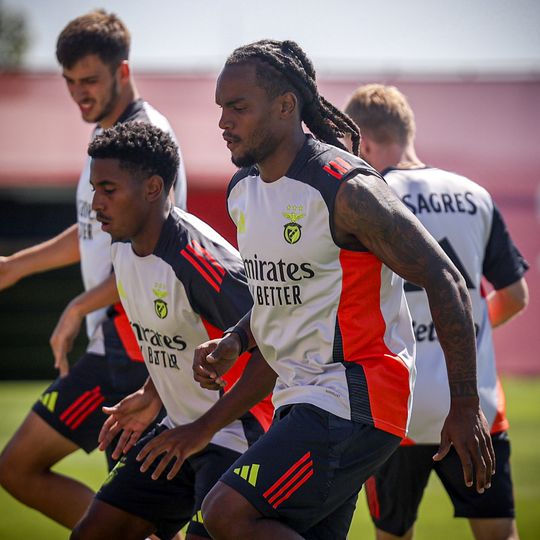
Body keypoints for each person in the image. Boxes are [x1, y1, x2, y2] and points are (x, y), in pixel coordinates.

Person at [192, 39, 495, 540]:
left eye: (238, 107)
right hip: (303, 398)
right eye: (221, 108)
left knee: (225, 514)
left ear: (286, 106)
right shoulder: (243, 190)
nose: (224, 121)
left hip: (357, 400)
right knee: (210, 533)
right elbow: (288, 292)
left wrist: (464, 406)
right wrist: (236, 341)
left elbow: (446, 278)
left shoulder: (348, 189)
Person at [0, 10, 187, 530]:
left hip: (142, 350)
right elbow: (90, 232)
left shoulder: (144, 139)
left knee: (25, 469)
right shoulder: (107, 136)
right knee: (22, 471)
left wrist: (78, 304)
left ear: (122, 73)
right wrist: (17, 266)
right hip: (115, 345)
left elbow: (157, 253)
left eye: (90, 81)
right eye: (70, 83)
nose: (79, 94)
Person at [70, 121, 275, 540]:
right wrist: (152, 393)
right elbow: (183, 337)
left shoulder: (199, 261)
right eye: (94, 189)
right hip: (180, 433)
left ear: (152, 188)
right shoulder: (123, 245)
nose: (96, 204)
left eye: (108, 190)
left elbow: (276, 347)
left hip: (239, 435)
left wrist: (203, 429)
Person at [343, 83, 529, 540]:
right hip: (474, 405)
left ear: (362, 142)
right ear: (406, 131)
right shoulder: (474, 195)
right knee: (498, 534)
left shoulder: (363, 196)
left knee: (393, 535)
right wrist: (462, 329)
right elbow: (515, 295)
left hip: (395, 406)